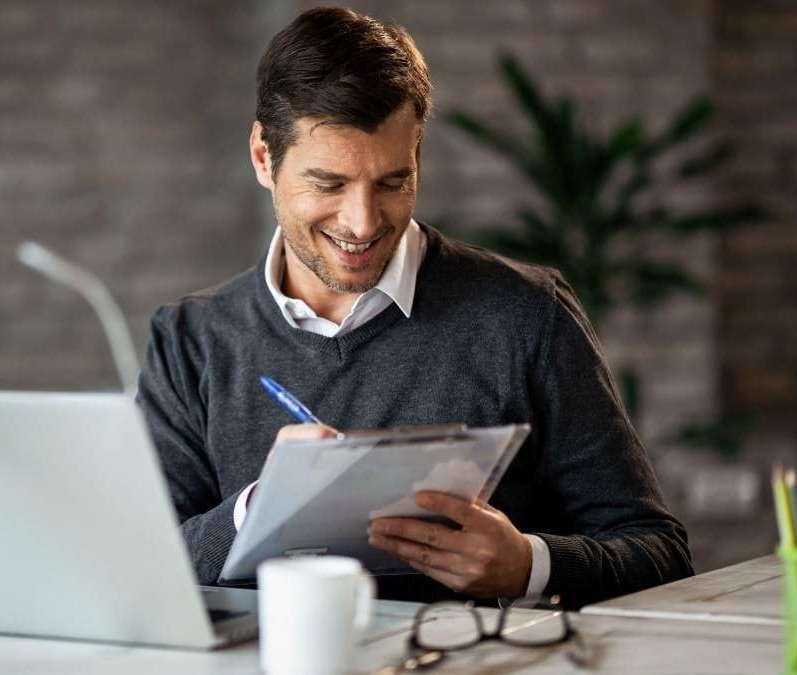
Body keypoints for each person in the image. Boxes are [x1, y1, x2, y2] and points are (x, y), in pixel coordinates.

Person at [136, 6, 693, 607]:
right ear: (263, 158)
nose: (362, 222)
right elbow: (139, 561)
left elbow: (659, 552)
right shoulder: (190, 339)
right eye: (329, 184)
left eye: (392, 182)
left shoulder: (527, 315)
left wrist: (529, 565)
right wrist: (257, 509)